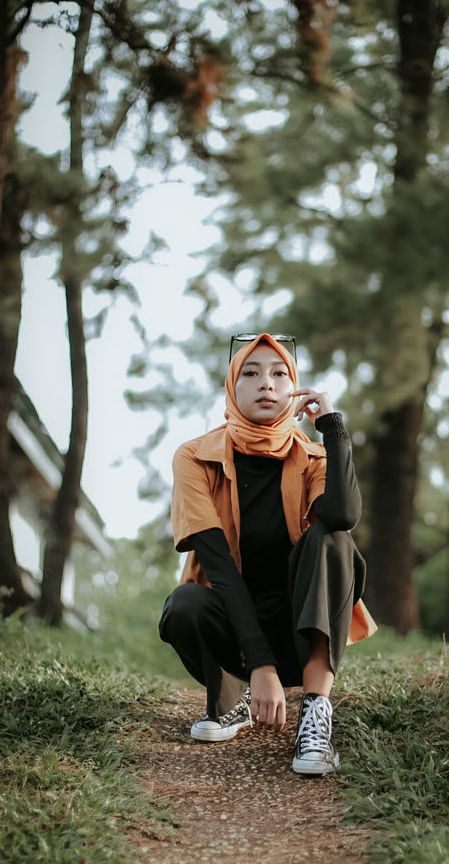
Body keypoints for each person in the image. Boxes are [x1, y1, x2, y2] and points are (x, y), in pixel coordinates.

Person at [158, 331, 375, 775]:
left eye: (279, 374)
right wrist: (259, 663)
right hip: (236, 632)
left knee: (331, 537)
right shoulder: (195, 457)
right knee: (184, 604)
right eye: (251, 373)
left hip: (300, 626)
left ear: (294, 388)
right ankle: (231, 698)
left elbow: (344, 514)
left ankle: (315, 712)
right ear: (232, 386)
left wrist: (332, 426)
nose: (266, 384)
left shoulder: (314, 457)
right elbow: (217, 565)